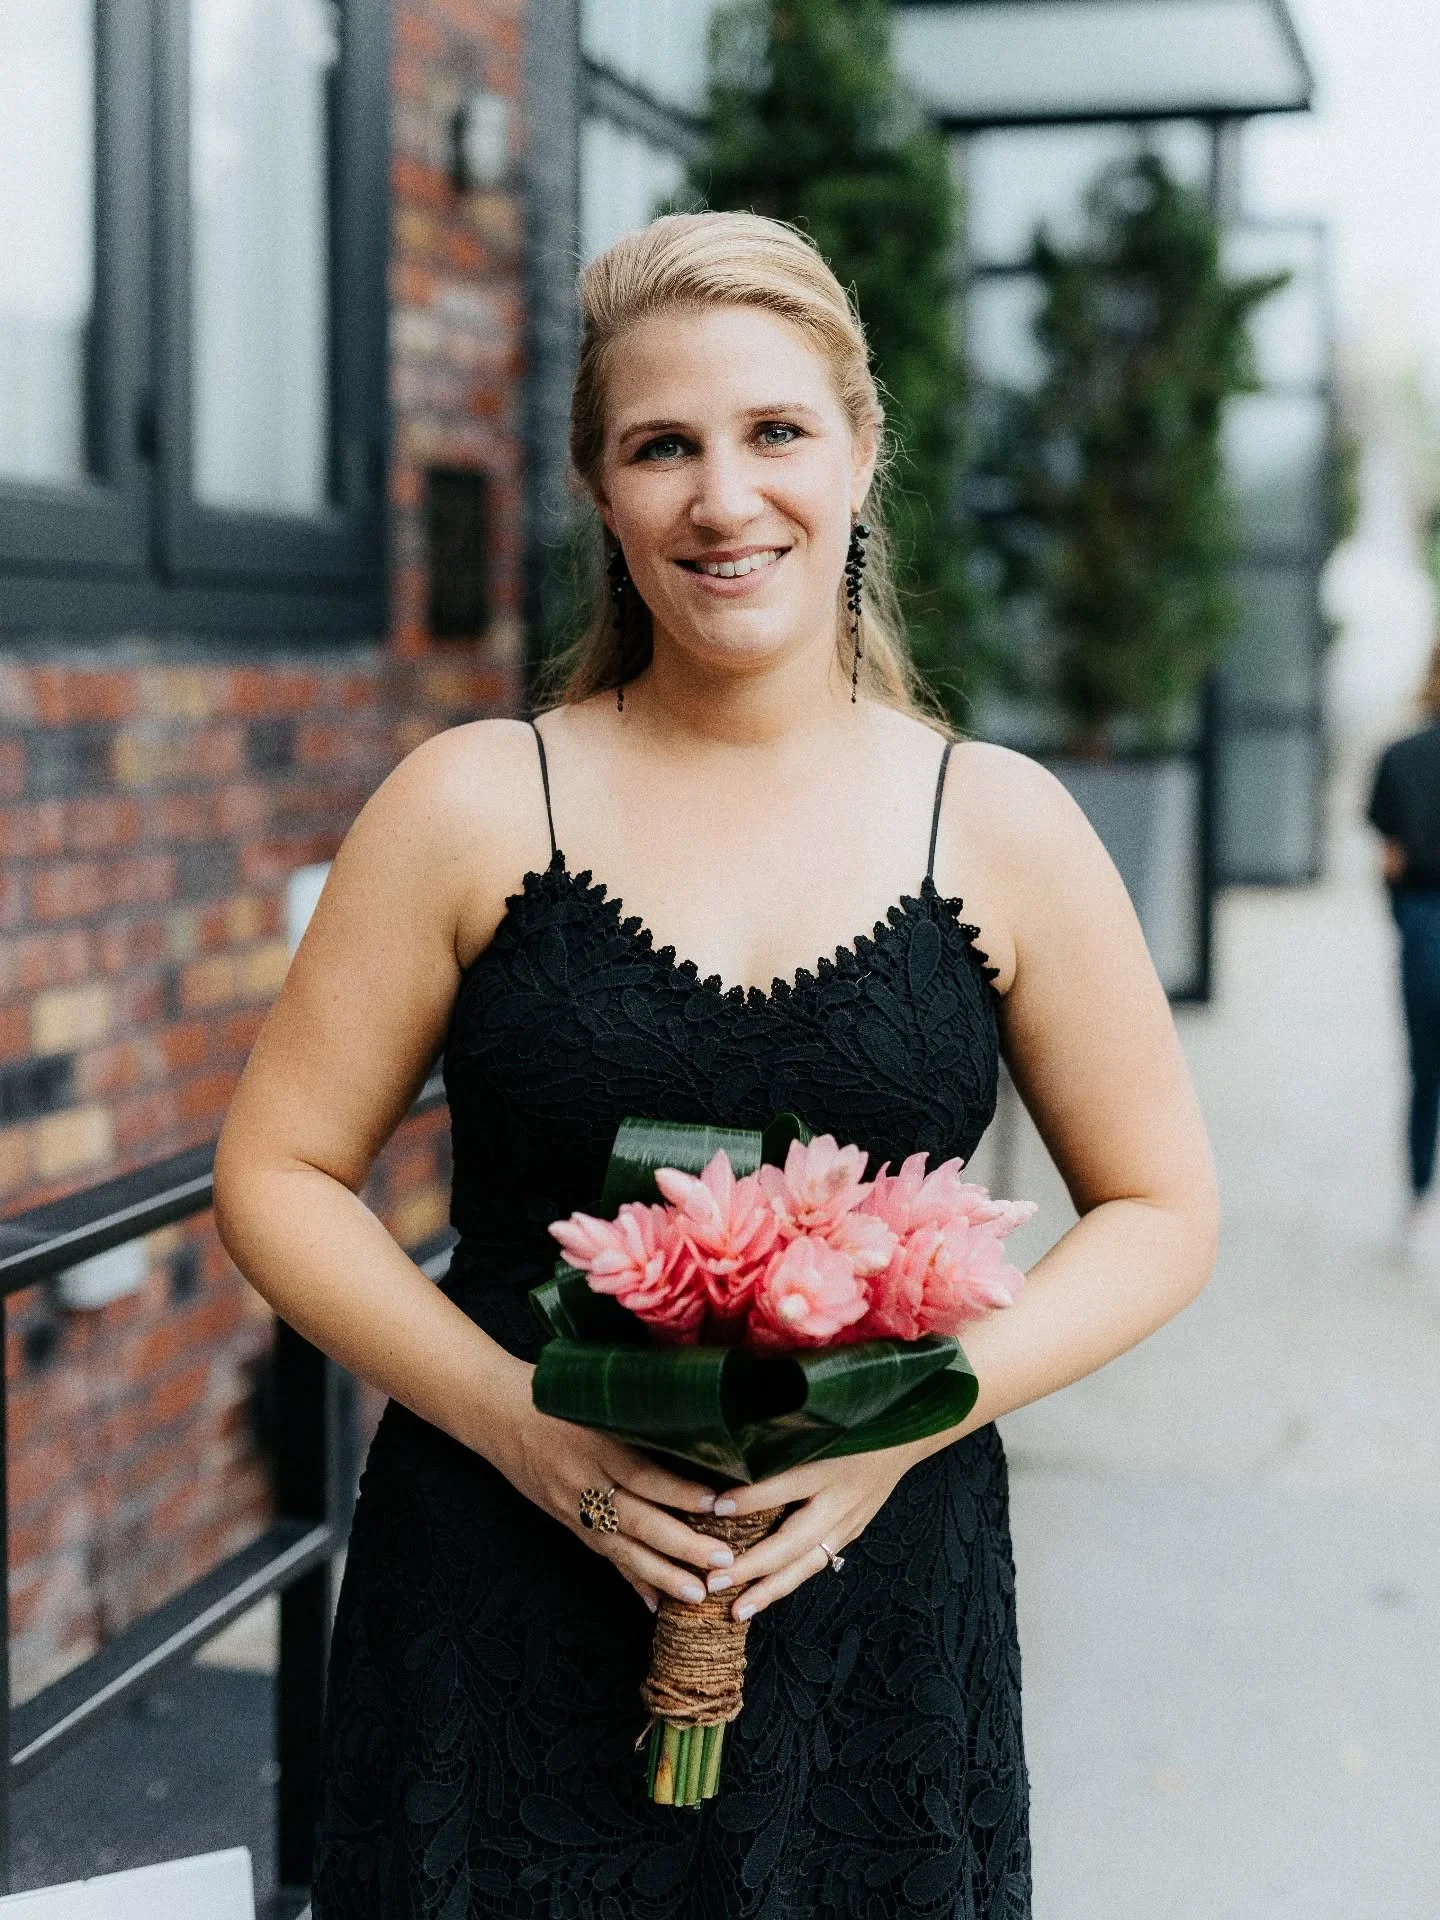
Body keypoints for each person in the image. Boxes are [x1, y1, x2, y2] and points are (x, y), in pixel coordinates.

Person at [213, 211, 1218, 1919]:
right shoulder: (472, 803)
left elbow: (1162, 1205)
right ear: (602, 494)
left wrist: (923, 1415)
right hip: (497, 1591)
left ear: (860, 450)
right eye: (659, 447)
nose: (721, 498)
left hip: (878, 1612)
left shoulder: (1000, 825)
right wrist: (525, 1429)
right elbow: (276, 1173)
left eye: (772, 432)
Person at [1366, 633, 1440, 1253]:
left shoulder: (1401, 757)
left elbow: (1390, 861)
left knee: (1425, 1069)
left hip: (1424, 920)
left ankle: (1418, 1198)